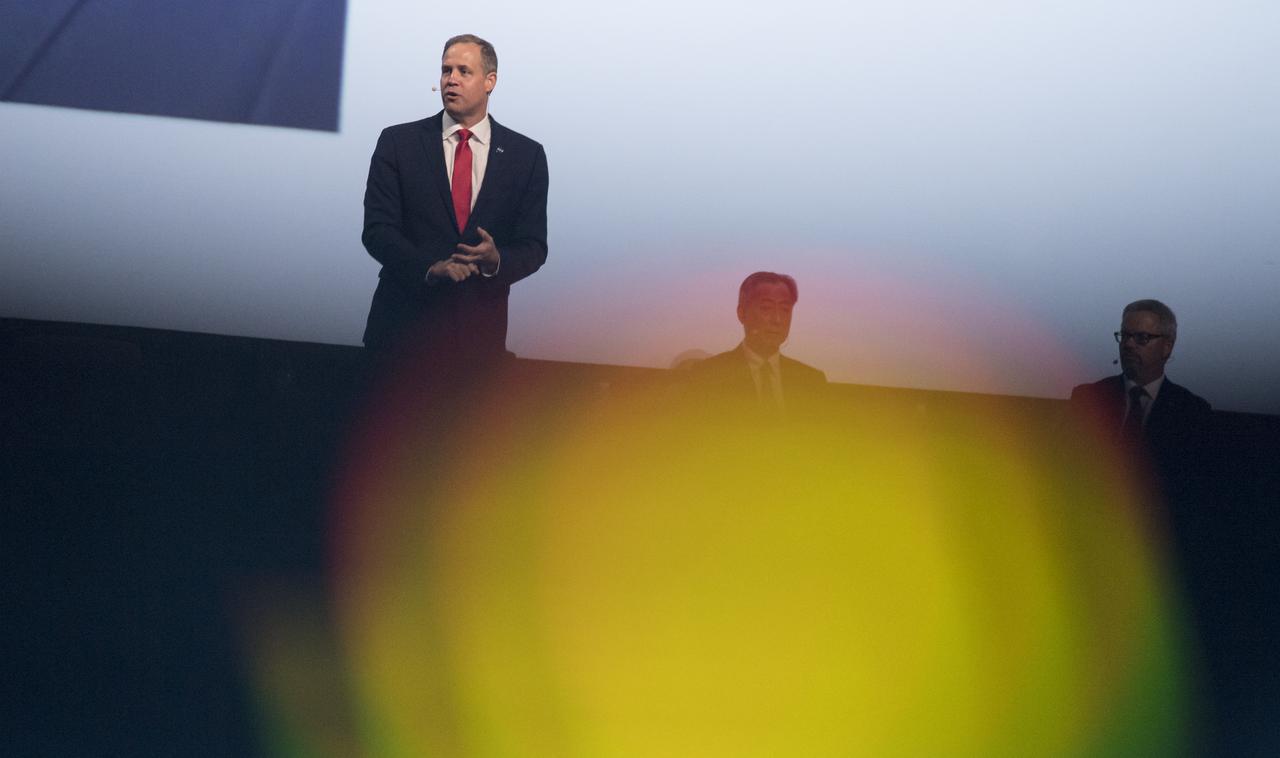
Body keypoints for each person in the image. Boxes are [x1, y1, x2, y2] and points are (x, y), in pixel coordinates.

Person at [360, 34, 548, 362]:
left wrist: (495, 260)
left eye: (464, 71)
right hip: (401, 336)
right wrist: (431, 268)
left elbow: (533, 246)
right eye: (446, 71)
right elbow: (377, 231)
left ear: (490, 81)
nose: (452, 80)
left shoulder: (526, 156)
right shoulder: (398, 143)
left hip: (476, 344)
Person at [1068, 299, 1213, 498]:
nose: (1128, 344)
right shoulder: (1088, 398)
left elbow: (1192, 490)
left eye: (1141, 338)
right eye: (1125, 335)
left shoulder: (1192, 412)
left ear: (1167, 347)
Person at [684, 272, 827, 422]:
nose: (777, 319)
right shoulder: (707, 376)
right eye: (766, 308)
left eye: (785, 310)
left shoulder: (812, 381)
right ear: (741, 313)